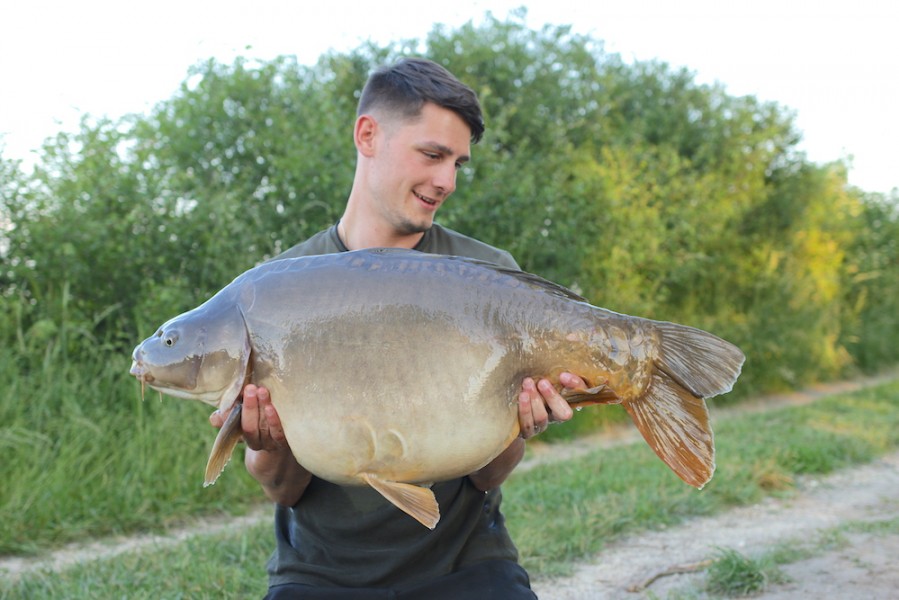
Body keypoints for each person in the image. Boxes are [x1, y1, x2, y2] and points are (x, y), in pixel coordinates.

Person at [210, 57, 585, 599]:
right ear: (368, 135)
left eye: (458, 163)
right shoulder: (276, 290)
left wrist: (519, 426)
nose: (447, 181)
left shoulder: (487, 276)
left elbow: (486, 477)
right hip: (320, 573)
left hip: (465, 563)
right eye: (432, 155)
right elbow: (284, 490)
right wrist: (265, 440)